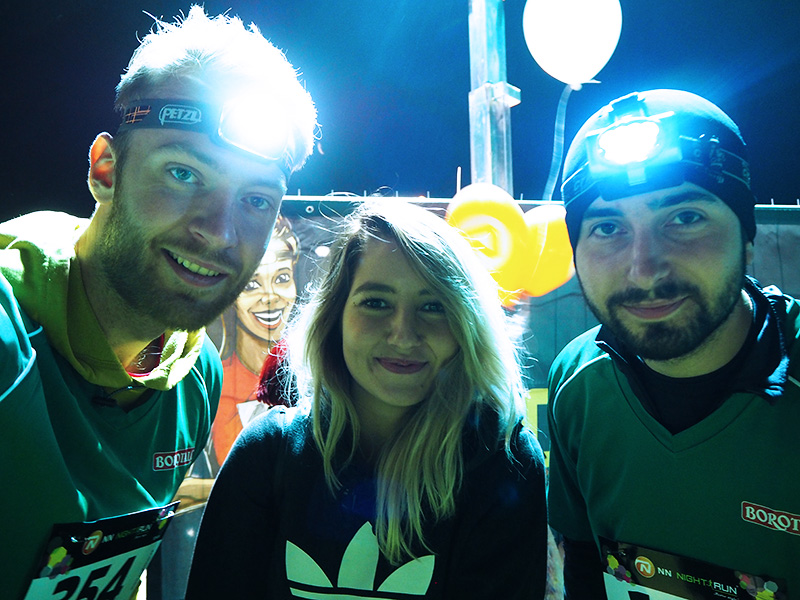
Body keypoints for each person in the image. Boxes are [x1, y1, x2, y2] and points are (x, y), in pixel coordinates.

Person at [0, 6, 316, 599]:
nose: (219, 233)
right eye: (183, 173)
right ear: (105, 170)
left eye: (255, 200)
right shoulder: (8, 337)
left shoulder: (192, 376)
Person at [185, 200, 548, 599]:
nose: (403, 335)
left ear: (467, 322)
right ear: (334, 317)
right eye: (376, 302)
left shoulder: (503, 460)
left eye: (433, 306)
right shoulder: (267, 453)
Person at [547, 89, 799, 597]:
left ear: (748, 237)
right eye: (608, 227)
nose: (644, 270)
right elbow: (581, 560)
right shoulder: (576, 385)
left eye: (684, 217)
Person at [211, 213, 300, 468]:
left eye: (282, 278)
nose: (270, 296)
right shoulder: (212, 383)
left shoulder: (320, 377)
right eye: (251, 284)